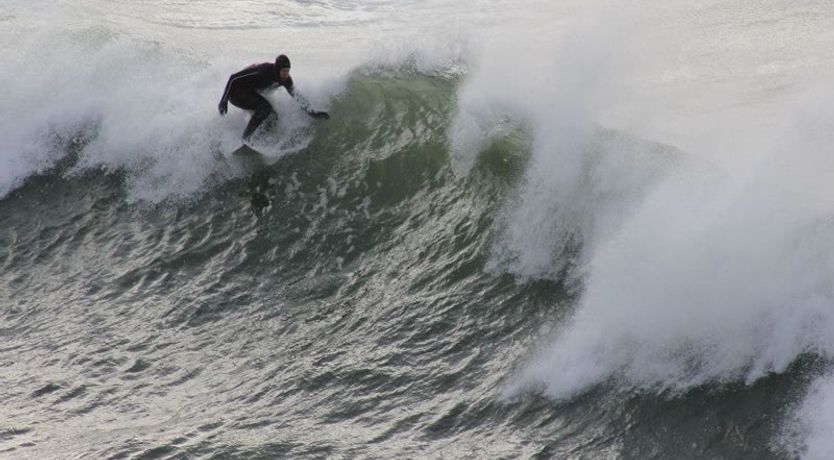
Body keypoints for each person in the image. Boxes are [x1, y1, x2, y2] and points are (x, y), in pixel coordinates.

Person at [218, 54, 329, 141]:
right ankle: (246, 138)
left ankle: (257, 139)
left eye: (288, 71)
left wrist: (312, 112)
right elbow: (233, 78)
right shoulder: (263, 71)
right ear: (278, 69)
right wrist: (223, 100)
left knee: (273, 117)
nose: (286, 74)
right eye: (284, 71)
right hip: (235, 93)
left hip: (249, 94)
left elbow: (296, 95)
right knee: (265, 108)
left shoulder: (286, 80)